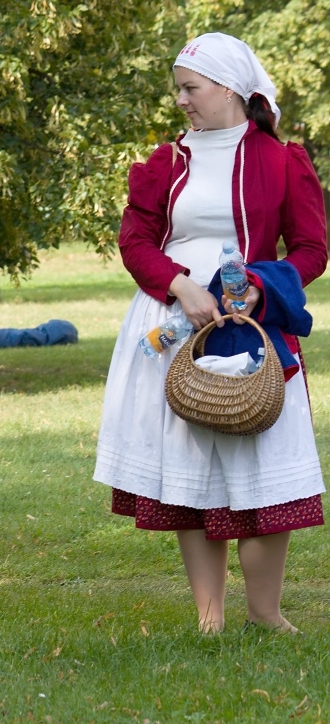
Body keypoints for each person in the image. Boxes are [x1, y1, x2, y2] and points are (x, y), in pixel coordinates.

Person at [93, 33, 327, 634]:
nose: (181, 100)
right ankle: (209, 618)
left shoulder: (282, 159)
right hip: (172, 331)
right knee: (191, 476)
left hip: (253, 328)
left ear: (227, 86)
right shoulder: (163, 162)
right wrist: (179, 285)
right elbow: (135, 241)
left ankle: (266, 612)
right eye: (178, 88)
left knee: (264, 466)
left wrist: (260, 286)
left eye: (191, 88)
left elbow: (310, 249)